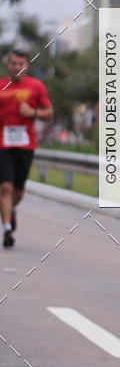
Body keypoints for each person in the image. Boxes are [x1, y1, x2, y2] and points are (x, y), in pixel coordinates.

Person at [0, 49, 53, 248]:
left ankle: (11, 211)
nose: (17, 67)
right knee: (5, 187)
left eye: (20, 63)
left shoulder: (36, 86)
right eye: (13, 63)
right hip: (2, 143)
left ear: (27, 65)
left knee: (18, 191)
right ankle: (7, 230)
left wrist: (33, 112)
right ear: (8, 65)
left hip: (25, 144)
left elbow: (49, 113)